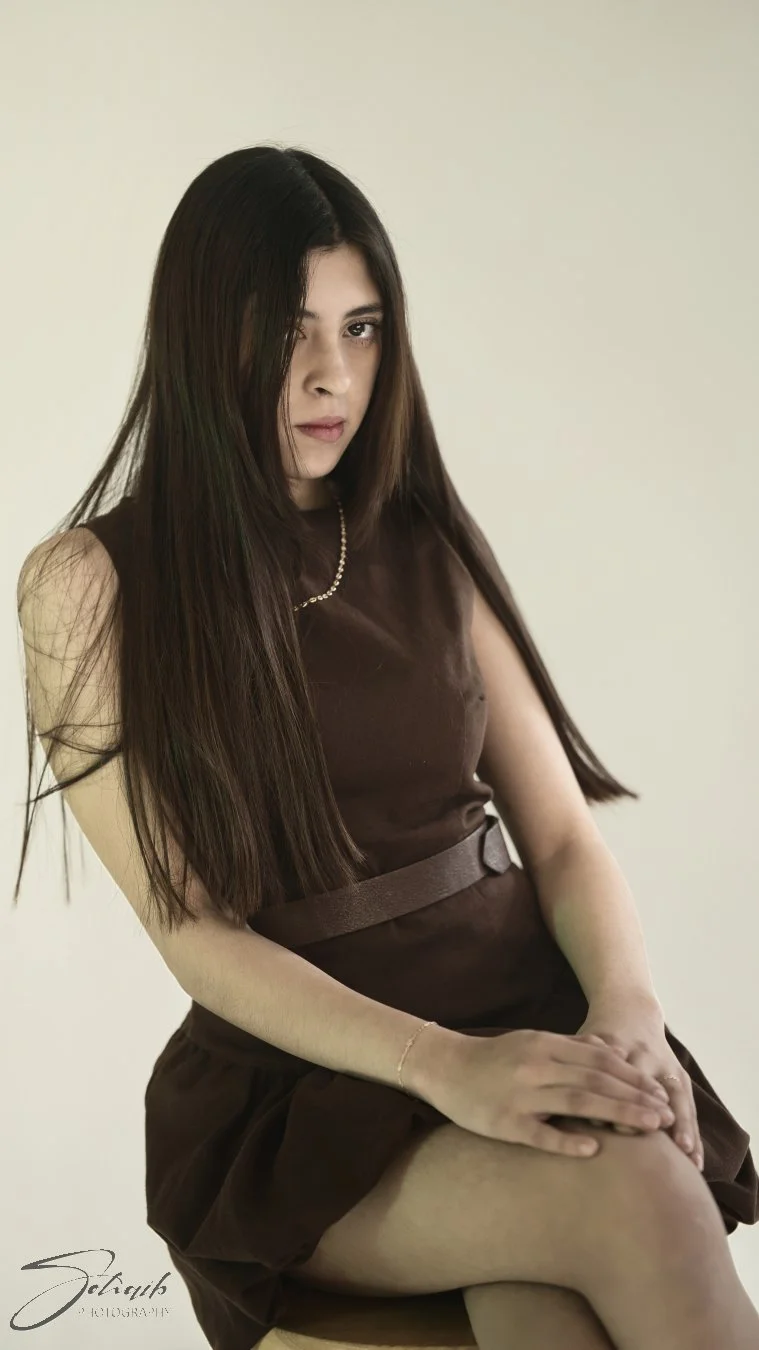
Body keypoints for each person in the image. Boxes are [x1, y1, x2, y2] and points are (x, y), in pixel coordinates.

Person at [14, 145, 759, 1350]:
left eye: (362, 329)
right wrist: (445, 1070)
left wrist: (623, 1007)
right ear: (205, 334)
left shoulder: (414, 535)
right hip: (311, 1098)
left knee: (548, 1314)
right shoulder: (89, 585)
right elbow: (191, 928)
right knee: (631, 1191)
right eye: (290, 329)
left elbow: (561, 836)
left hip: (523, 1015)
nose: (332, 375)